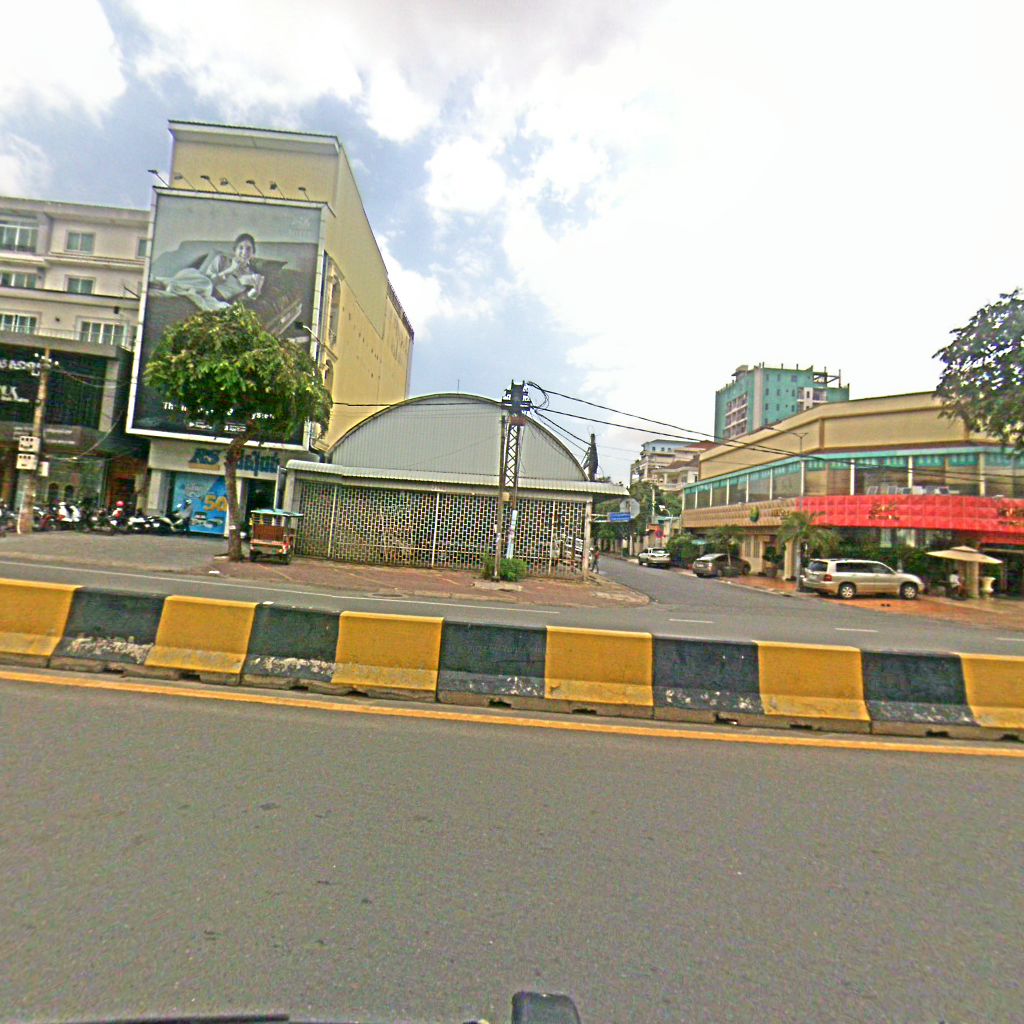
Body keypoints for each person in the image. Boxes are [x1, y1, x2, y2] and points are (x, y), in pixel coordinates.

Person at [155, 233, 265, 311]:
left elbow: (243, 300)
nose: (244, 252)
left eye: (248, 249)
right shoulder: (221, 259)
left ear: (253, 254)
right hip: (200, 283)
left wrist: (256, 290)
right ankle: (164, 283)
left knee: (225, 308)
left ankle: (170, 285)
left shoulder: (251, 276)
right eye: (240, 248)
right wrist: (231, 269)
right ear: (235, 251)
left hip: (212, 299)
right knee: (206, 284)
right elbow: (209, 281)